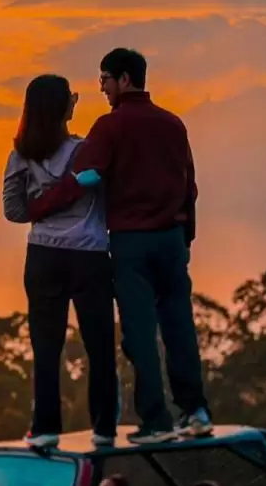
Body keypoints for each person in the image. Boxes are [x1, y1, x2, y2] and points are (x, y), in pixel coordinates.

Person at [25, 48, 211, 444]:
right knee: (179, 325)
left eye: (105, 80)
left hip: (131, 243)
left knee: (140, 333)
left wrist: (38, 208)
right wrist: (187, 238)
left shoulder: (110, 127)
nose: (102, 89)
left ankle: (156, 421)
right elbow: (189, 185)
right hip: (173, 241)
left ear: (124, 80)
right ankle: (195, 411)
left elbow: (86, 176)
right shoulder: (173, 124)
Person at [3, 74, 119, 449]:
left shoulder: (20, 155)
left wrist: (44, 207)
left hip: (43, 256)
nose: (76, 101)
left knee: (46, 345)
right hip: (90, 254)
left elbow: (14, 211)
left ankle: (46, 425)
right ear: (61, 107)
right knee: (99, 344)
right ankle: (103, 426)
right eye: (71, 96)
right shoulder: (86, 151)